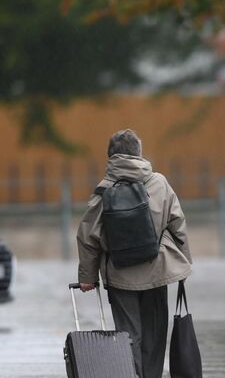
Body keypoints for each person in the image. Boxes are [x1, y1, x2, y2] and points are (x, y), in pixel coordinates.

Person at [77, 129, 192, 378]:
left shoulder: (104, 189)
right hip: (157, 270)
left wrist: (88, 276)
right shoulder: (160, 183)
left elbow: (88, 236)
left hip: (120, 275)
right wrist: (184, 265)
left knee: (128, 335)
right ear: (139, 153)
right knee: (154, 334)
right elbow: (177, 224)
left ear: (110, 157)